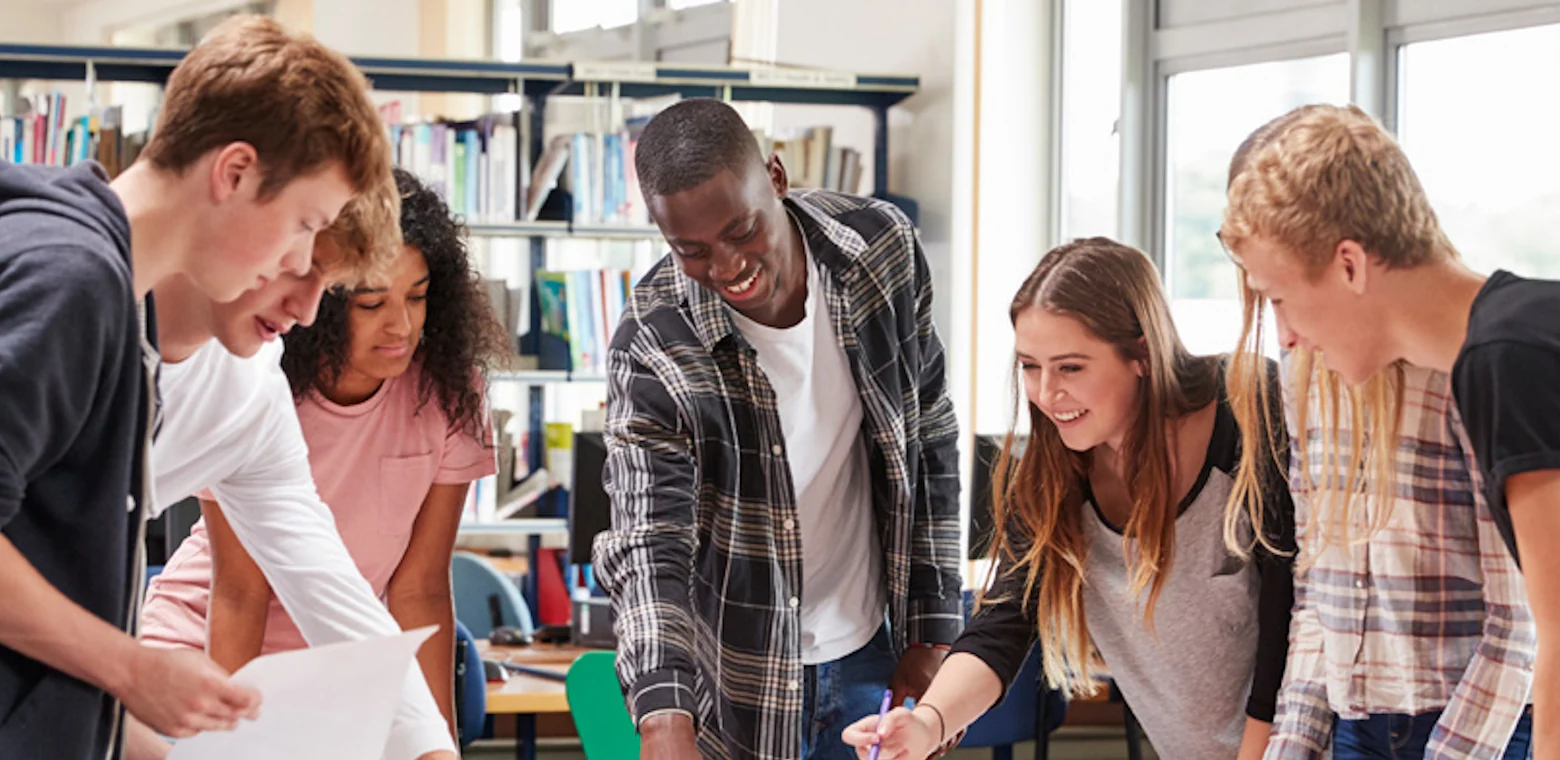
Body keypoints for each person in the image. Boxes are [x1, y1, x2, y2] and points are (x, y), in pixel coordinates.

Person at [0, 14, 395, 758]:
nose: (297, 262)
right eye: (303, 225)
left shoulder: (117, 309)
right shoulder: (71, 279)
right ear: (234, 172)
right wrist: (131, 668)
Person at [591, 97, 963, 759]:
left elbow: (929, 435)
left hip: (871, 656)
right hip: (737, 680)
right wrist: (663, 715)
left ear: (776, 177)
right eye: (691, 251)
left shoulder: (880, 249)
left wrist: (932, 630)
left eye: (741, 231)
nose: (726, 266)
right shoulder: (653, 342)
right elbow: (649, 543)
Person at [843, 238, 1297, 760]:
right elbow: (1002, 624)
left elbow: (1288, 610)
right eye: (1030, 366)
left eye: (1071, 367)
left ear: (1142, 354)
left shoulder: (1246, 406)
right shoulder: (1053, 474)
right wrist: (926, 724)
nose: (1045, 393)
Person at [1221, 103, 1548, 757]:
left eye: (1280, 298)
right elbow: (1315, 592)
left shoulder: (1499, 358)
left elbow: (1536, 627)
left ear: (1349, 264)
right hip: (1363, 722)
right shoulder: (1314, 371)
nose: (1284, 334)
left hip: (1478, 718)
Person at [139, 168, 507, 747]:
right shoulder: (256, 386)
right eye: (371, 302)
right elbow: (239, 593)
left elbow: (418, 590)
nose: (401, 325)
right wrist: (231, 748)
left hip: (332, 664)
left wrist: (440, 745)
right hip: (198, 651)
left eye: (417, 297)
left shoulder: (450, 393)